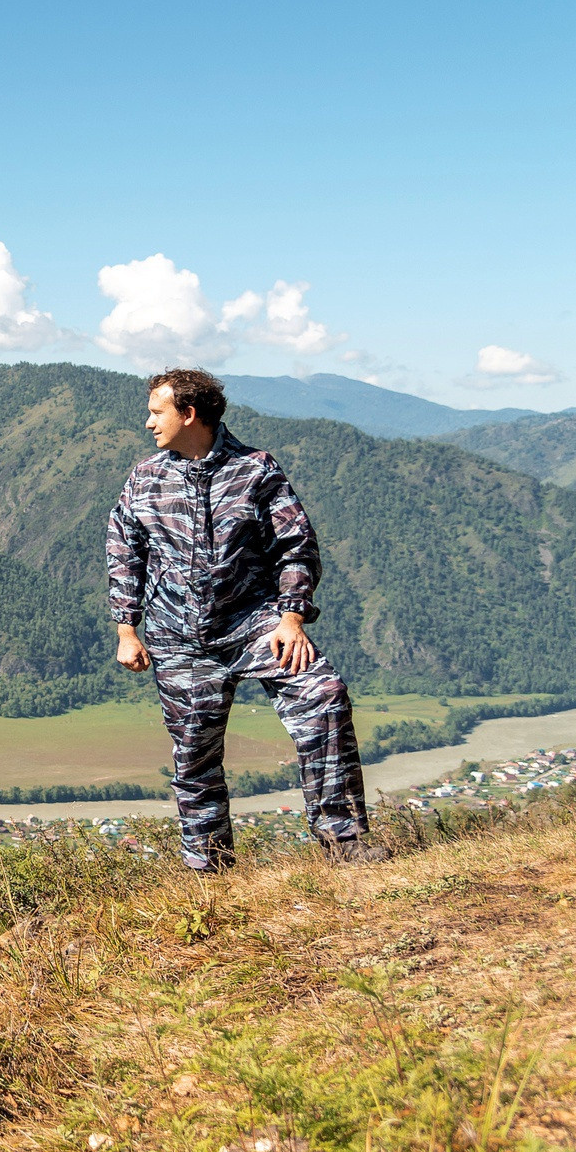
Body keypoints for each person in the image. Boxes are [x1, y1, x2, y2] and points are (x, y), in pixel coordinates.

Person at [105, 367, 390, 870]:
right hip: (179, 640)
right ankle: (210, 872)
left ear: (188, 414)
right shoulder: (145, 479)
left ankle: (344, 839)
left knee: (323, 697)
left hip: (258, 627)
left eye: (156, 412)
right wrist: (127, 629)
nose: (148, 422)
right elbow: (124, 552)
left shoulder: (257, 470)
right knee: (195, 757)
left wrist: (292, 617)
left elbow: (297, 547)